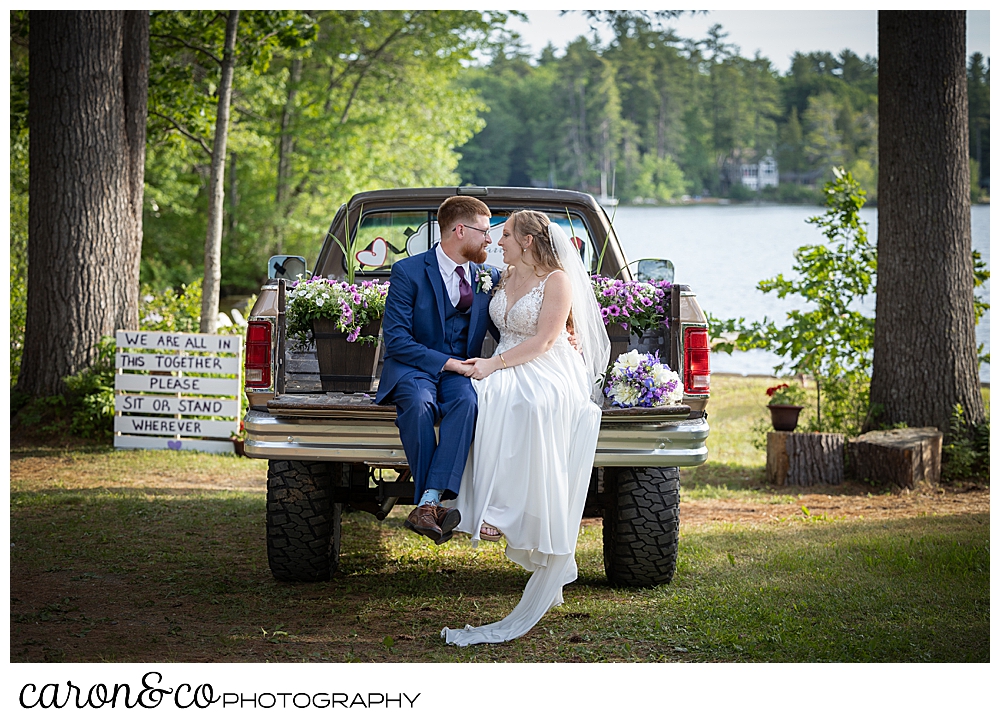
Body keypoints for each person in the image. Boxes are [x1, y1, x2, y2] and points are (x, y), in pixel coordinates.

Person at [441, 210, 610, 646]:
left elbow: (547, 340)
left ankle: (509, 515)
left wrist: (493, 364)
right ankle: (481, 509)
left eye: (506, 237)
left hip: (546, 366)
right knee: (480, 400)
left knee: (527, 403)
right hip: (505, 360)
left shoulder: (557, 281)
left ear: (529, 241)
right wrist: (489, 365)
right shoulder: (501, 276)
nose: (498, 243)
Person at [376, 196, 501, 544]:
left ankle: (427, 504)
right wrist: (447, 362)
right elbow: (397, 340)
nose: (490, 240)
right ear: (460, 230)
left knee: (467, 404)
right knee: (418, 405)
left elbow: (510, 326)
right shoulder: (409, 271)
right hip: (414, 368)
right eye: (485, 231)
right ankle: (432, 503)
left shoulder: (488, 277)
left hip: (460, 375)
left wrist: (560, 335)